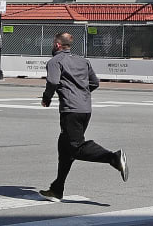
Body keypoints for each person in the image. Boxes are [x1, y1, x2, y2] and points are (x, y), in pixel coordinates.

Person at [39, 32, 129, 201]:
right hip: (85, 109)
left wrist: (47, 98)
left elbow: (52, 81)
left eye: (53, 43)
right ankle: (57, 189)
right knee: (65, 149)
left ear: (58, 45)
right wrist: (82, 95)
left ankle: (113, 158)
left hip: (70, 110)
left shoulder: (55, 62)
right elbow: (94, 82)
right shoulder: (83, 61)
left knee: (75, 147)